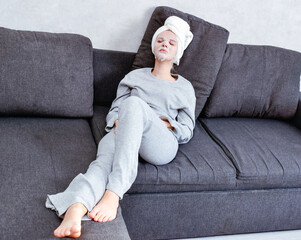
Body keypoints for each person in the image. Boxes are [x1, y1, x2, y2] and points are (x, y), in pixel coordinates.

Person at [45, 16, 196, 238]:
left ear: (178, 52)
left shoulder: (185, 87)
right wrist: (118, 120)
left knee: (134, 103)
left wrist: (167, 123)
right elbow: (116, 108)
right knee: (102, 163)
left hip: (160, 142)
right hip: (124, 130)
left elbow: (187, 130)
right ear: (154, 46)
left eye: (171, 43)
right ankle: (76, 207)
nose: (165, 44)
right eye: (161, 40)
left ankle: (114, 193)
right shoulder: (134, 77)